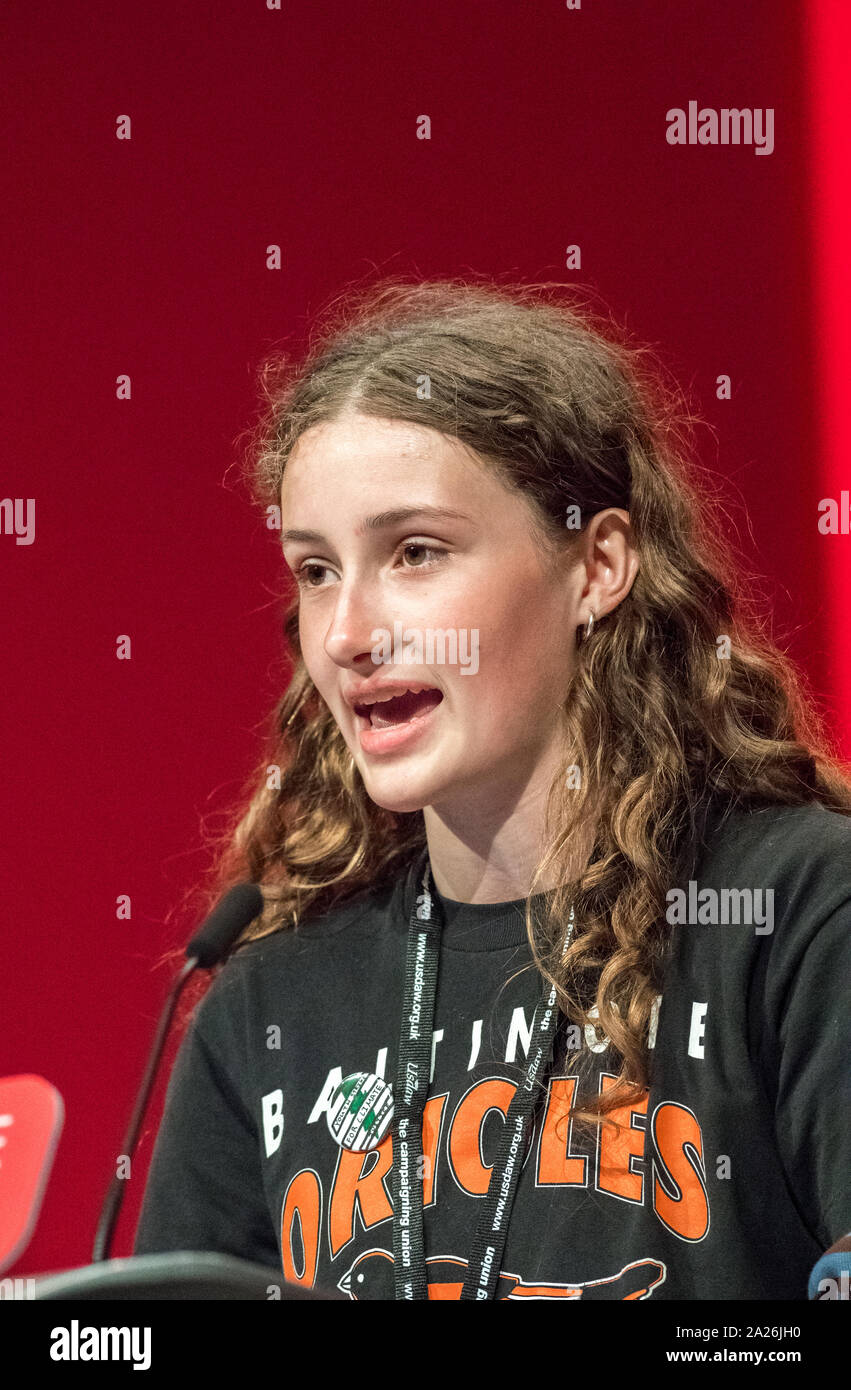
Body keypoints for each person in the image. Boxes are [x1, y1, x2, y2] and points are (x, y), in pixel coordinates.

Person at [134, 277, 851, 1300]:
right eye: (316, 570)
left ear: (596, 565)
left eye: (414, 552)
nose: (346, 636)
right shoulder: (268, 1004)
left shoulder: (798, 912)